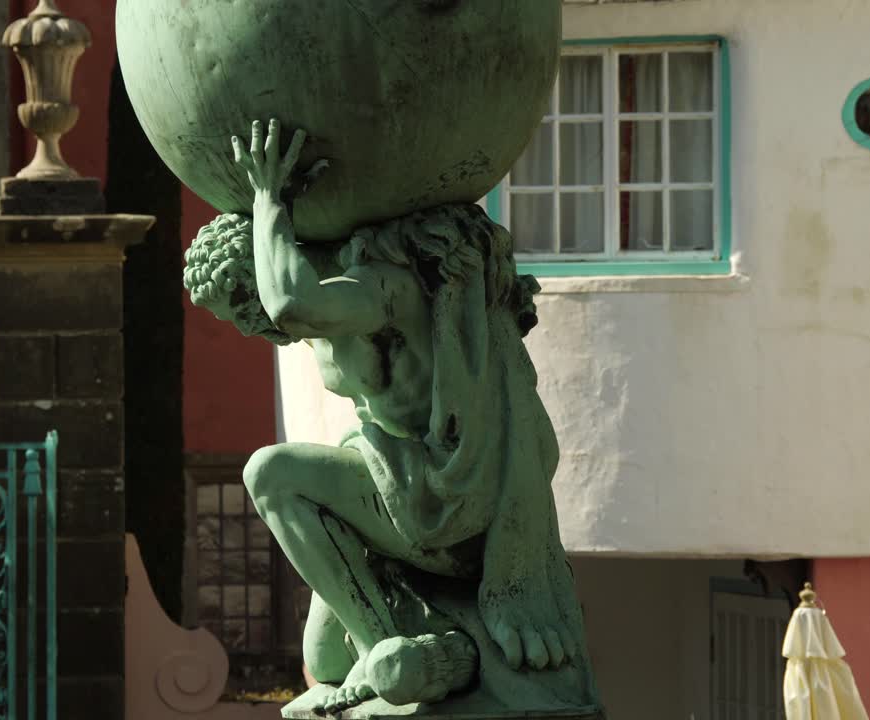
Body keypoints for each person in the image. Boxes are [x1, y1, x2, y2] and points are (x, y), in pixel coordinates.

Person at [183, 119, 587, 714]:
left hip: (447, 496)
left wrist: (269, 196)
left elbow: (290, 303)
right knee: (321, 659)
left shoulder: (380, 290)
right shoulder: (339, 318)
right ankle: (442, 653)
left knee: (269, 473)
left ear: (272, 260)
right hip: (400, 490)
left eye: (242, 301)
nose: (247, 324)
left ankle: (386, 649)